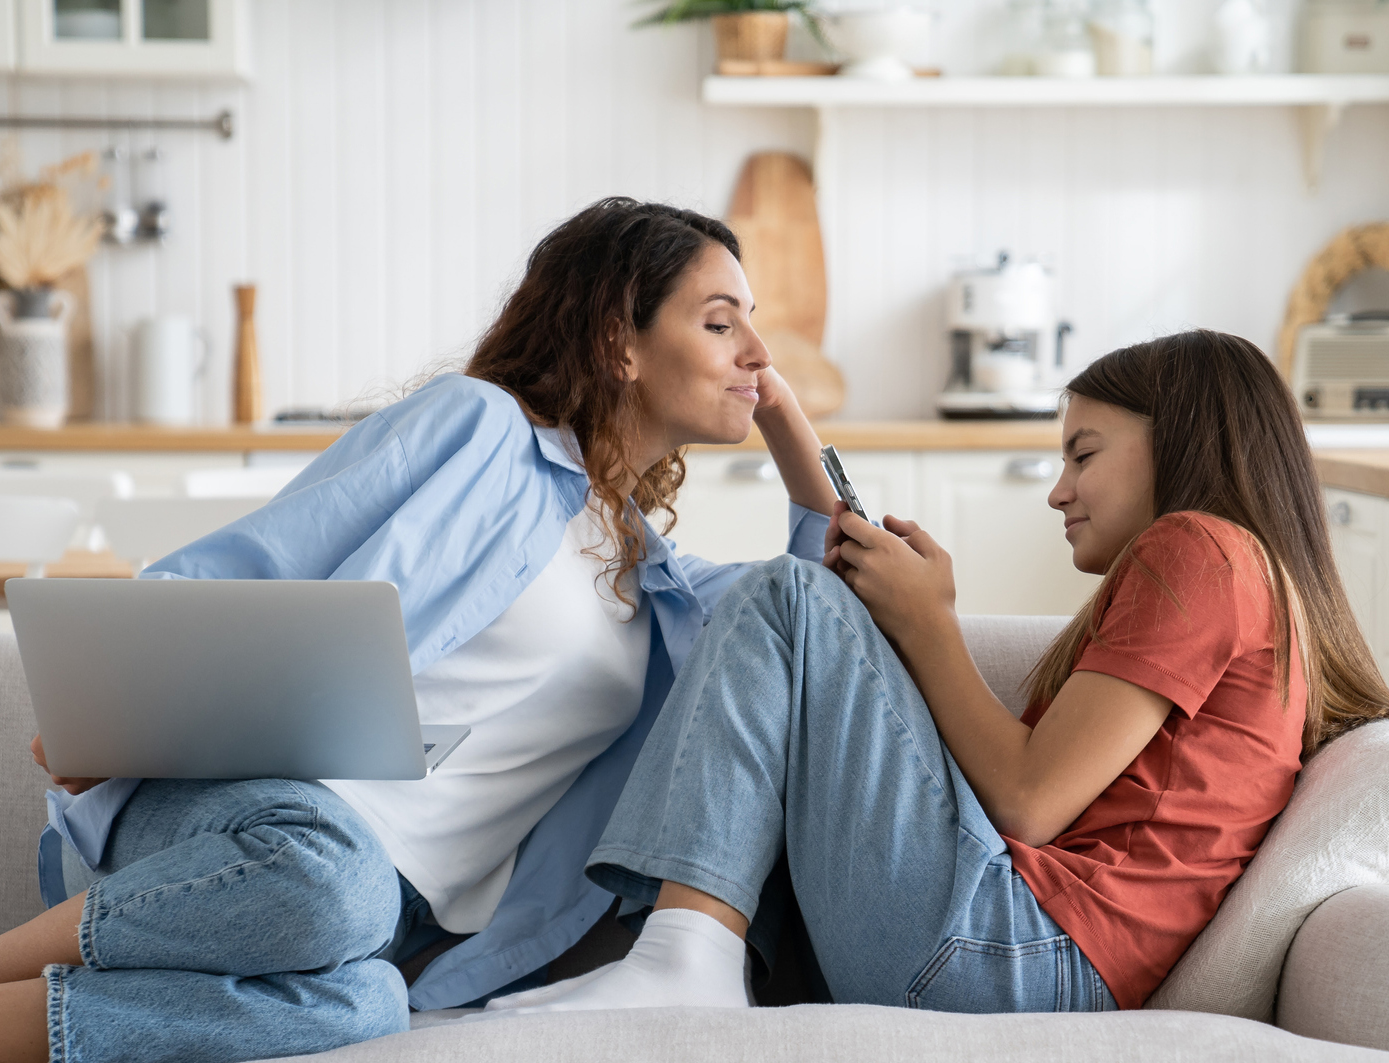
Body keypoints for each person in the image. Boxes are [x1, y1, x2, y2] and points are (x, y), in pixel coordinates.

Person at [0, 197, 836, 1063]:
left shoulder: (662, 590)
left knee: (366, 1010)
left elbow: (822, 600)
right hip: (251, 819)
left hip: (390, 922)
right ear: (621, 341)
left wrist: (787, 425)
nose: (757, 350)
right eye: (719, 321)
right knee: (334, 879)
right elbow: (266, 557)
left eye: (755, 326)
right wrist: (119, 703)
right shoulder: (481, 430)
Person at [491, 330, 1389, 1017]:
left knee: (789, 599)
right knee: (804, 624)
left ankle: (680, 960)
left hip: (1023, 957)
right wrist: (911, 627)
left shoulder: (1200, 550)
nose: (1057, 490)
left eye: (1084, 453)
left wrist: (930, 628)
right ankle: (666, 956)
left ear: (1184, 441)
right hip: (1025, 953)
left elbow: (1031, 802)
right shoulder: (1238, 579)